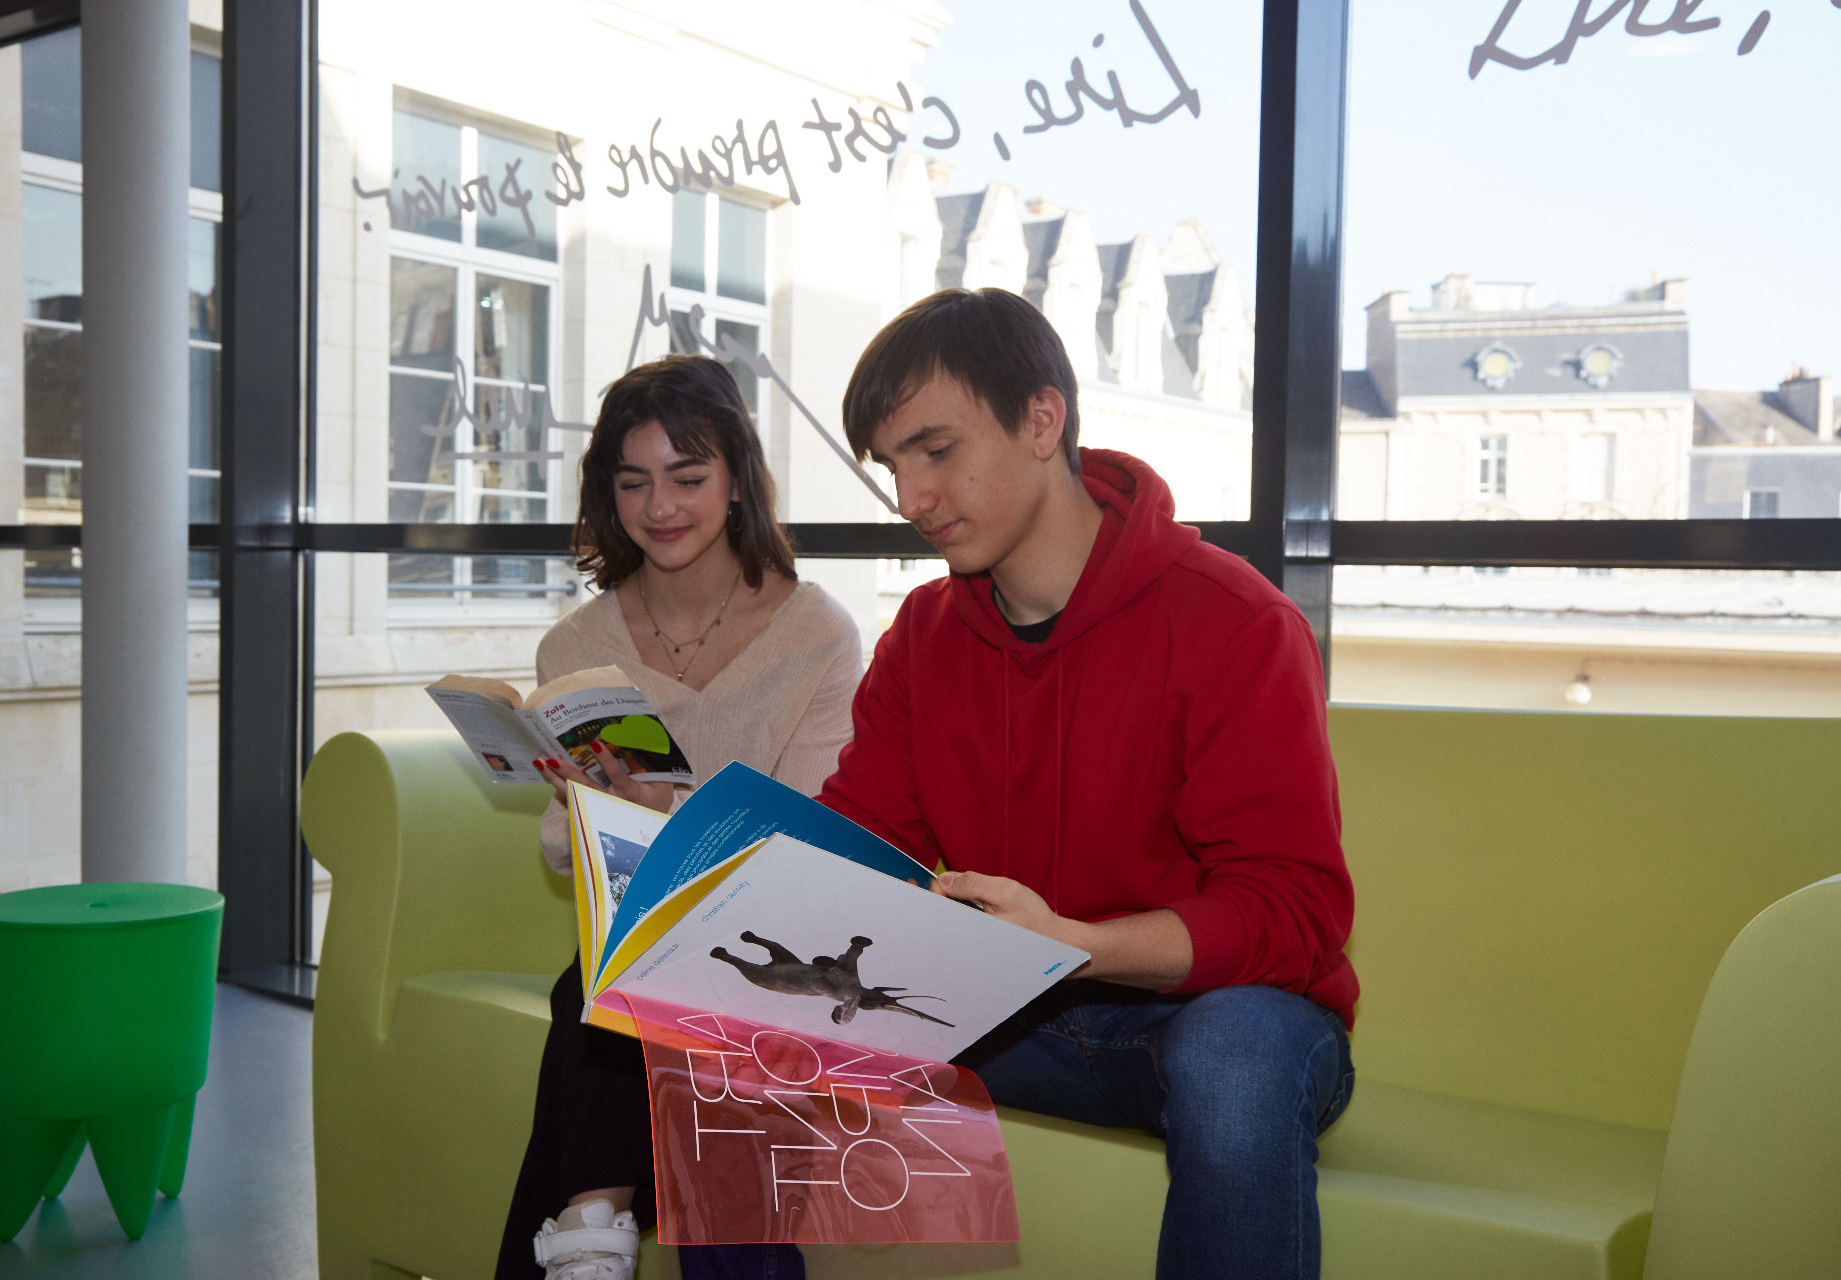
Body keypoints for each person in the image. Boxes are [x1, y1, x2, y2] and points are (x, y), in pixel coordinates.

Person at [815, 287, 1359, 1280]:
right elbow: (857, 843)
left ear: (1041, 421)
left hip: (1221, 1016)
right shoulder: (923, 638)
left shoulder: (1236, 622)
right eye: (893, 465)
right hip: (1009, 1013)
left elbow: (1296, 912)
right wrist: (688, 853)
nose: (912, 497)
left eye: (935, 450)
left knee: (1233, 1061)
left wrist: (1076, 946)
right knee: (737, 1008)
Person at [495, 355, 861, 1280]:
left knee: (599, 991)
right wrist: (594, 811)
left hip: (775, 945)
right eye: (633, 482)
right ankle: (592, 1231)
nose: (660, 506)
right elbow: (565, 851)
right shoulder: (576, 645)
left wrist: (671, 816)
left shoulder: (817, 634)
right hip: (635, 933)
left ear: (737, 480)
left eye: (687, 477)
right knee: (619, 975)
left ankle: (590, 1229)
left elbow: (814, 836)